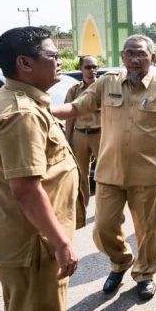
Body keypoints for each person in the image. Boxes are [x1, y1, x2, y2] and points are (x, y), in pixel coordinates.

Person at [52, 35, 156, 301]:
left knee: (149, 229)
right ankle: (121, 261)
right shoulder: (106, 82)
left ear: (152, 58)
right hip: (110, 170)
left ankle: (145, 274)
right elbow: (78, 106)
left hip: (148, 173)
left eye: (141, 54)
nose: (135, 59)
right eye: (130, 53)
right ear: (122, 57)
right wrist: (48, 111)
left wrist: (150, 146)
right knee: (103, 227)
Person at [0, 26, 79, 311]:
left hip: (34, 241)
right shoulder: (21, 113)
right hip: (34, 245)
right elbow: (26, 189)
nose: (59, 61)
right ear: (24, 63)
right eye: (52, 55)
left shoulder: (24, 102)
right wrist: (61, 243)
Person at [64, 55, 101, 229]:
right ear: (81, 69)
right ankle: (81, 211)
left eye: (94, 67)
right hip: (80, 134)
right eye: (88, 67)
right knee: (80, 175)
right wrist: (67, 140)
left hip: (101, 134)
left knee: (104, 175)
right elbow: (69, 117)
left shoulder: (103, 88)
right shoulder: (74, 90)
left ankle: (103, 211)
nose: (92, 70)